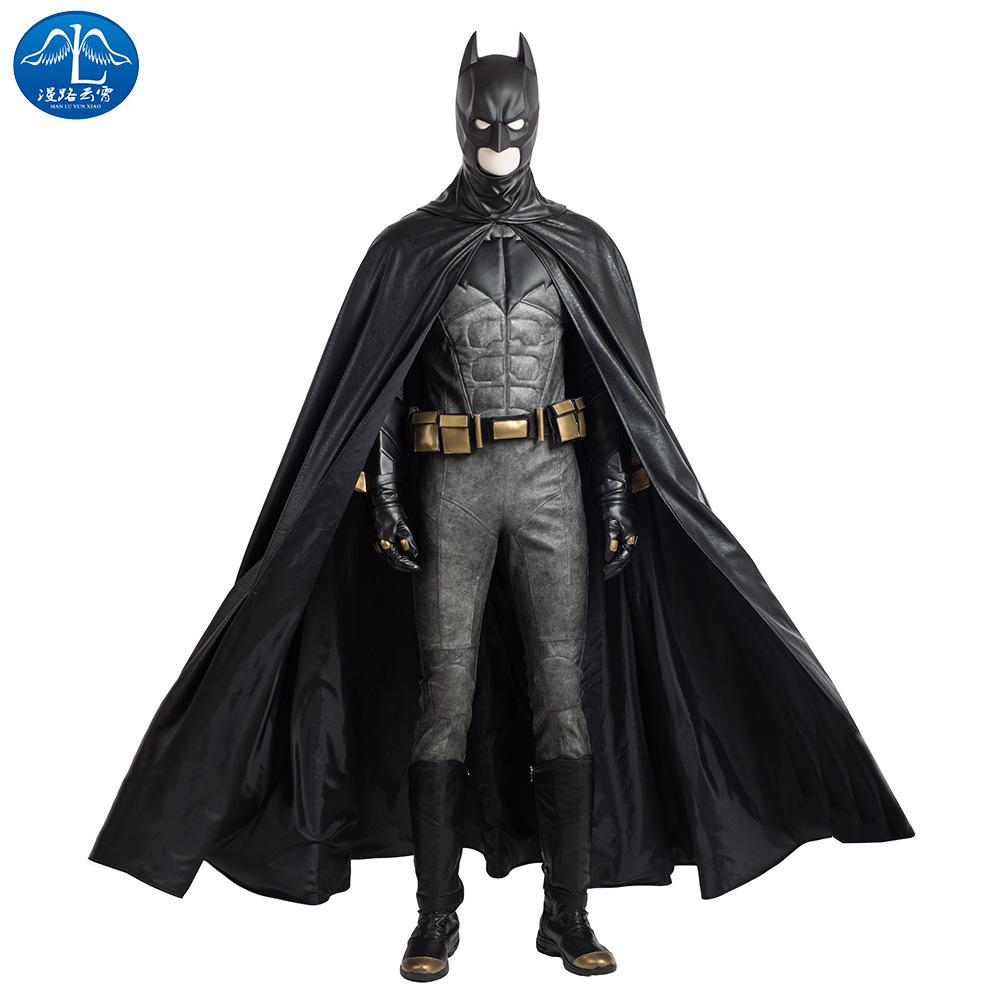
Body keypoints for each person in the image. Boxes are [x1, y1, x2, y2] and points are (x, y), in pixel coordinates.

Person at [91, 33, 913, 984]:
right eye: (482, 119)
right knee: (443, 696)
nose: (497, 137)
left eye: (513, 121)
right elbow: (376, 391)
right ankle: (435, 917)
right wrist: (387, 494)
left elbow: (615, 393)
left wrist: (614, 497)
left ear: (539, 119)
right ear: (456, 116)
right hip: (452, 488)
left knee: (564, 697)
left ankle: (569, 913)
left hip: (553, 486)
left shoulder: (583, 247)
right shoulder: (408, 249)